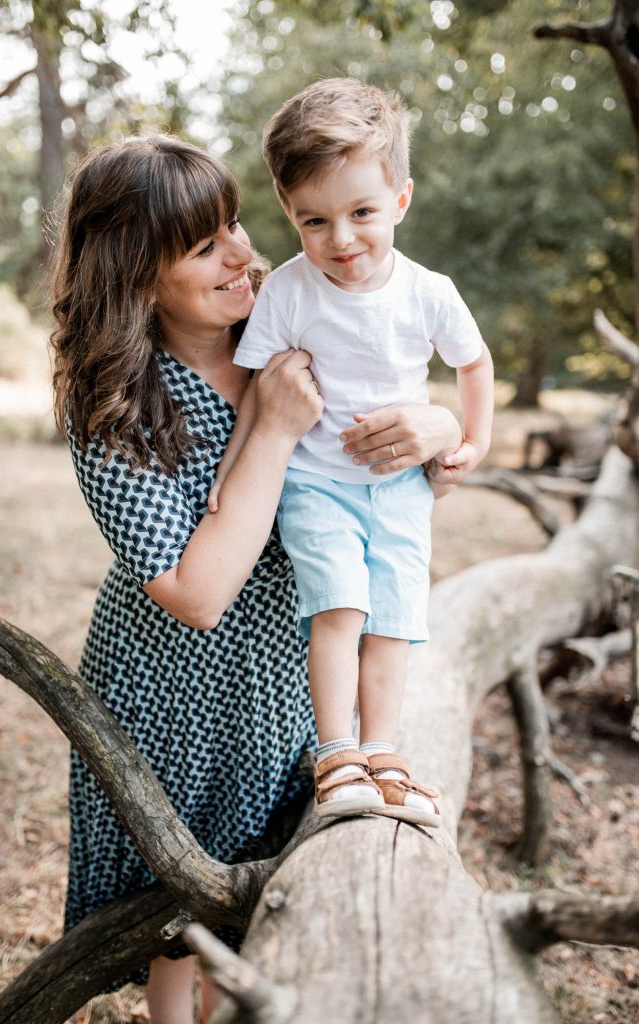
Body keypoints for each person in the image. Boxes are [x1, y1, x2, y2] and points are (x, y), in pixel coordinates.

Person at [49, 133, 463, 1024]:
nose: (244, 252)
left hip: (288, 679)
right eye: (205, 246)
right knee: (174, 925)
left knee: (265, 904)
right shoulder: (117, 405)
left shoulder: (298, 314)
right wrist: (271, 430)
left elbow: (388, 444)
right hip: (172, 697)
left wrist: (435, 427)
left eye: (236, 223)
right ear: (133, 274)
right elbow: (197, 595)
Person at [210, 79, 494, 829]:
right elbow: (253, 389)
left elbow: (473, 363)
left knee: (393, 620)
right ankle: (337, 755)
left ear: (400, 199)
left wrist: (472, 440)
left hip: (398, 487)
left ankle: (384, 751)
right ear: (290, 217)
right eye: (315, 220)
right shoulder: (291, 293)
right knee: (339, 608)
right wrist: (234, 470)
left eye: (362, 213)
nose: (341, 240)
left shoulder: (428, 291)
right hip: (316, 485)